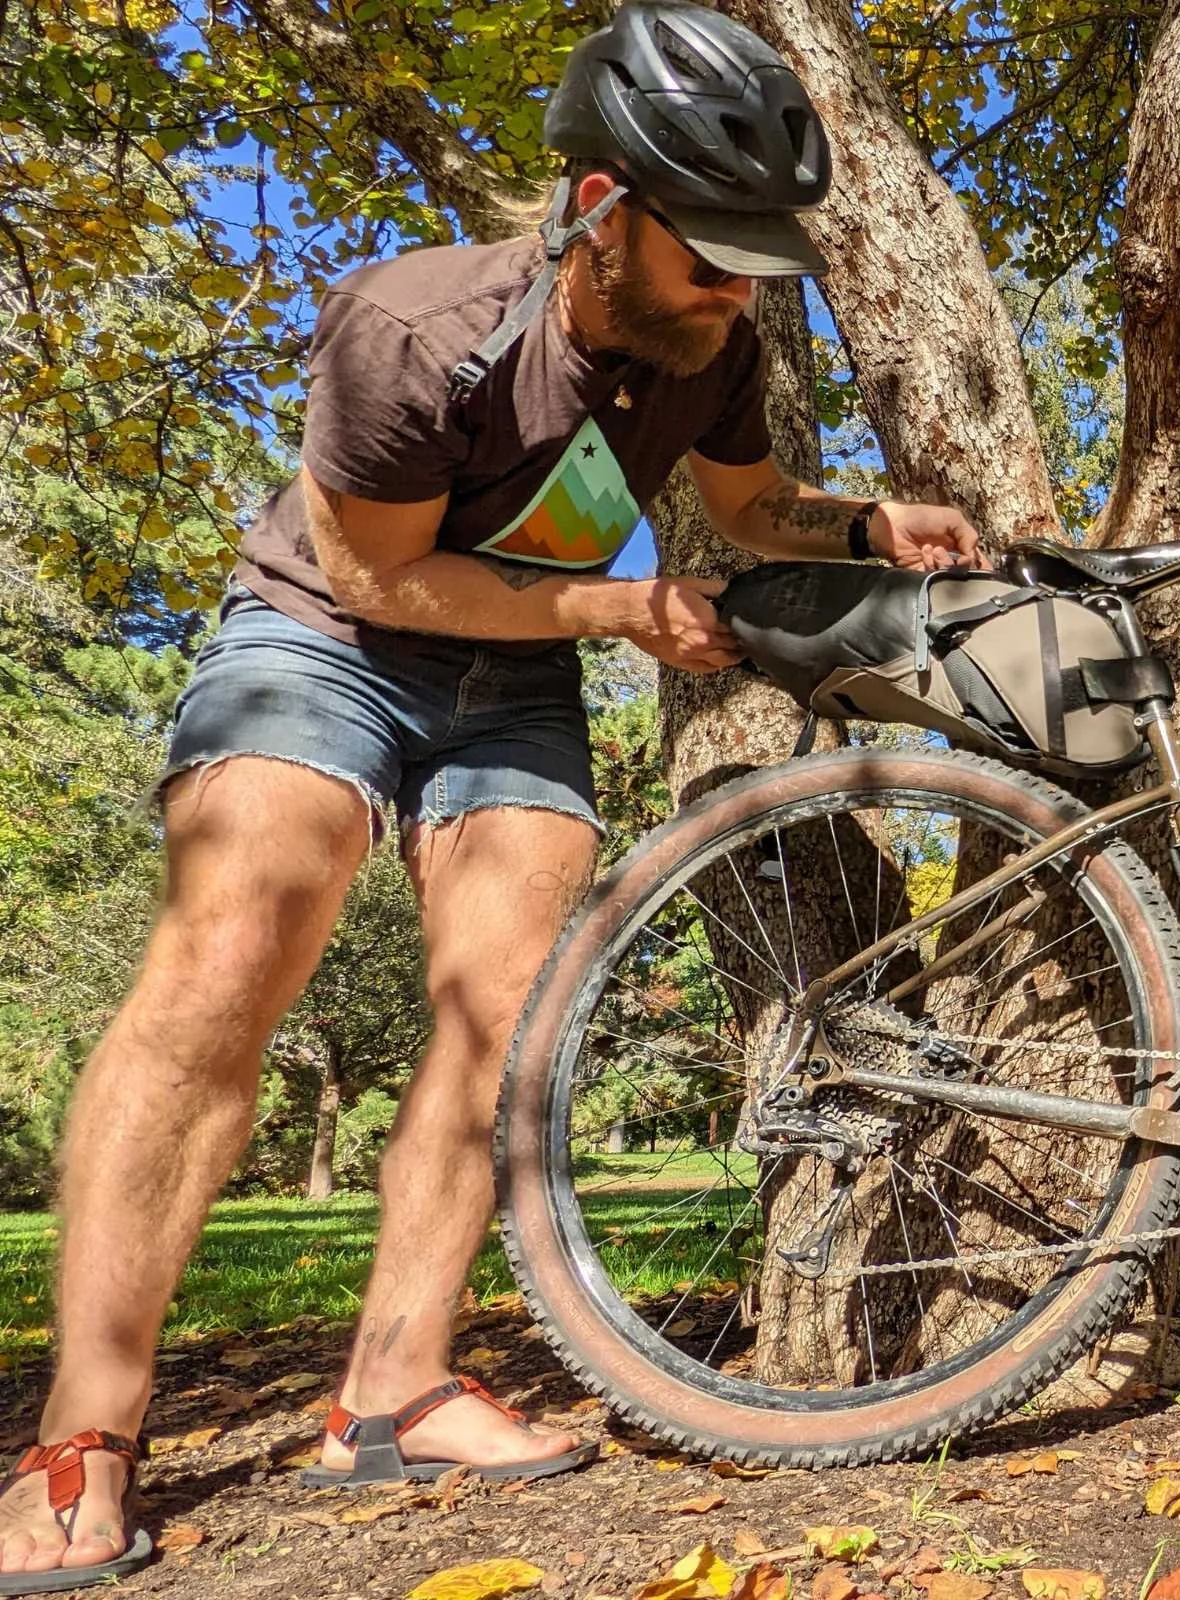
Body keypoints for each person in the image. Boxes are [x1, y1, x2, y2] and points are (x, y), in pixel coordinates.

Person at [0, 5, 982, 1589]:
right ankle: (79, 1439)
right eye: (708, 255)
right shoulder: (411, 326)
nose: (736, 293)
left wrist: (870, 527)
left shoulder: (709, 343)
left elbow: (750, 504)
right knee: (233, 949)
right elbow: (372, 569)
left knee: (504, 1009)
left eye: (753, 261)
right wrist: (608, 611)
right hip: (320, 639)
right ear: (599, 211)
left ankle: (391, 1393)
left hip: (513, 671)